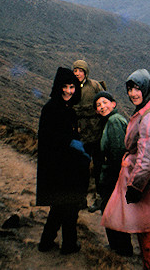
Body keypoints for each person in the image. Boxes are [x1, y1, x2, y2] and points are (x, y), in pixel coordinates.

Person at [101, 69, 150, 269]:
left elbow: (147, 157)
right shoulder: (147, 110)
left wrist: (136, 186)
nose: (133, 93)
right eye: (130, 89)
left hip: (145, 180)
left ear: (146, 89)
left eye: (137, 89)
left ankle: (149, 265)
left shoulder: (149, 117)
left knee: (144, 226)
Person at [36, 67, 91, 255]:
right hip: (60, 167)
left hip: (67, 166)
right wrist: (72, 143)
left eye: (72, 87)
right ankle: (68, 245)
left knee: (60, 206)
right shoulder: (51, 108)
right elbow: (47, 138)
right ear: (58, 87)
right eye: (65, 87)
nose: (68, 91)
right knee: (69, 207)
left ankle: (46, 242)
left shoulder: (68, 109)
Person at [94, 91, 133, 256]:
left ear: (113, 104)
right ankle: (120, 246)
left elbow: (118, 152)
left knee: (112, 210)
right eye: (98, 105)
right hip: (114, 175)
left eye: (104, 102)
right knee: (113, 210)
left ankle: (121, 248)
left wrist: (115, 179)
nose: (102, 107)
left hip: (114, 175)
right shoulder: (110, 121)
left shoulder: (114, 121)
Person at [72, 59, 105, 209]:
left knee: (99, 167)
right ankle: (81, 199)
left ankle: (100, 198)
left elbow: (104, 103)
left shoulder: (94, 85)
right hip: (81, 136)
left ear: (86, 72)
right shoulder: (71, 88)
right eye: (75, 70)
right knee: (82, 168)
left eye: (80, 70)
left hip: (96, 134)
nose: (78, 73)